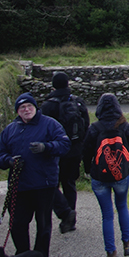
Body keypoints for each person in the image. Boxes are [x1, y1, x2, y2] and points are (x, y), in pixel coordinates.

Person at [0, 92, 70, 257]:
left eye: (29, 106)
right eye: (22, 107)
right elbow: (0, 153)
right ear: (18, 111)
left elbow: (65, 144)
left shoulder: (50, 124)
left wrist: (46, 147)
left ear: (36, 108)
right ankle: (23, 256)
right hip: (19, 186)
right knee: (17, 224)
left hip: (44, 184)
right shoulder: (10, 130)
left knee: (43, 225)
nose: (26, 109)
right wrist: (9, 161)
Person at [83, 93, 129, 257]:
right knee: (122, 207)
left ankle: (111, 255)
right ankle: (128, 244)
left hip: (99, 177)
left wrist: (87, 170)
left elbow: (86, 153)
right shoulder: (124, 126)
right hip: (121, 176)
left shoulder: (94, 128)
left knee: (107, 215)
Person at [39, 71, 90, 234]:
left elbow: (42, 130)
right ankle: (71, 220)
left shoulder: (47, 106)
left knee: (51, 185)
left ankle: (63, 215)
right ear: (68, 83)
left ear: (53, 85)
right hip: (74, 151)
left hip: (54, 152)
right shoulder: (78, 102)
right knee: (70, 184)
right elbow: (86, 126)